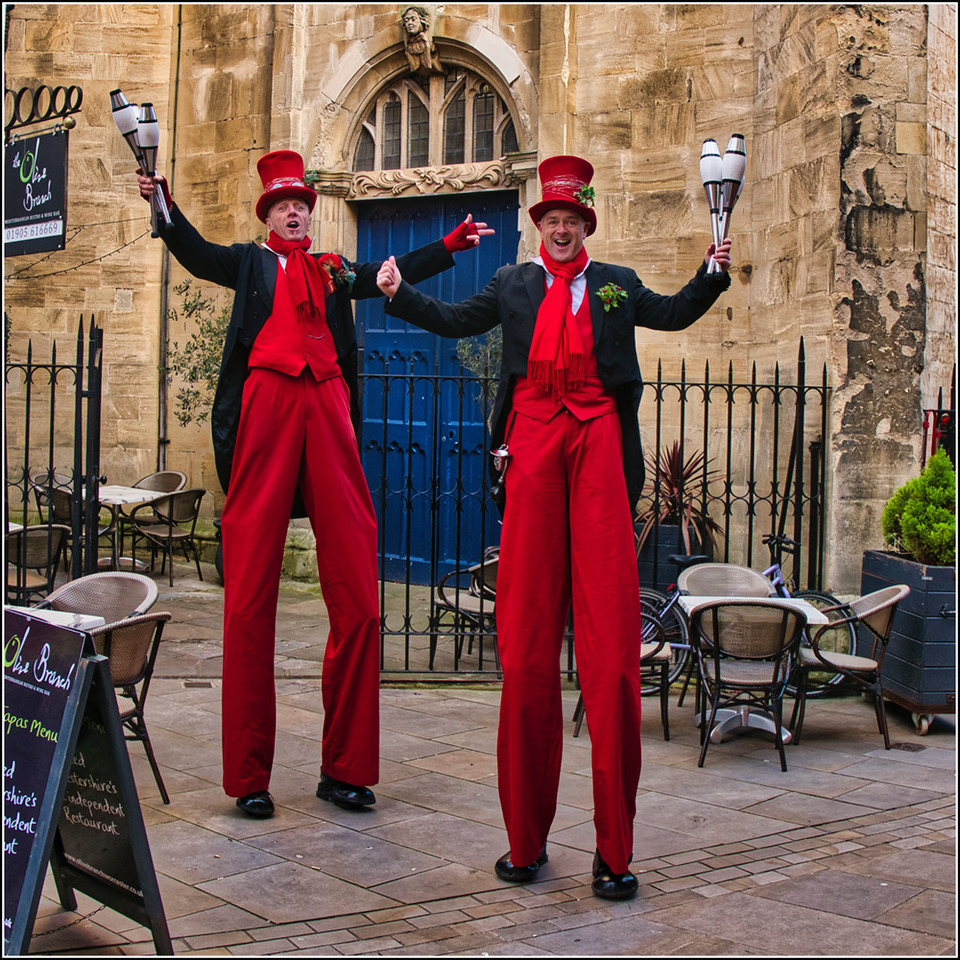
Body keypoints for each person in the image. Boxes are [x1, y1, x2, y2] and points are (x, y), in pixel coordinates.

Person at [376, 155, 732, 900]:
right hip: (534, 440)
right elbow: (452, 321)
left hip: (599, 439)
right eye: (551, 219)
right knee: (528, 649)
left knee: (609, 656)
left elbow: (671, 312)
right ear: (539, 227)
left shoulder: (616, 284)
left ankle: (615, 852)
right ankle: (525, 843)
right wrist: (400, 294)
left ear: (584, 226)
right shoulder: (513, 284)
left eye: (572, 220)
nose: (562, 228)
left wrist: (710, 273)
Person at [137, 150, 492, 818]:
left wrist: (448, 243)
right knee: (246, 601)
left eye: (302, 202)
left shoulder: (331, 271)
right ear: (268, 213)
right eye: (283, 203)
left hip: (327, 408)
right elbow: (192, 250)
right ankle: (248, 777)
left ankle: (347, 769)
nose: (295, 210)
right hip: (266, 411)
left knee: (359, 596)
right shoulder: (247, 264)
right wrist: (163, 204)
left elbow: (386, 275)